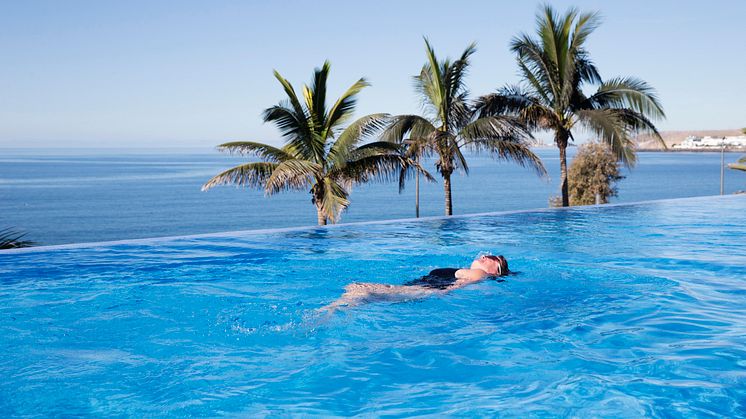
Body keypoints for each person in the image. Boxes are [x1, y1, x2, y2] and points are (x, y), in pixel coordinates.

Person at [320, 254, 509, 312]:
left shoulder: (480, 273)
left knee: (359, 288)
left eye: (492, 258)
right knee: (361, 294)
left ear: (496, 271)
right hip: (421, 290)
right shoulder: (473, 271)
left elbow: (471, 279)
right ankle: (332, 311)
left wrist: (451, 289)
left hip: (424, 290)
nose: (484, 256)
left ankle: (327, 313)